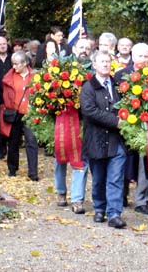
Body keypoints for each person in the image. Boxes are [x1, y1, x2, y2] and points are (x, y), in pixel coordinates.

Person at [80, 50, 127, 229]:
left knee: (115, 178)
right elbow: (89, 111)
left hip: (116, 141)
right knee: (99, 177)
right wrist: (116, 121)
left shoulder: (118, 85)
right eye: (102, 62)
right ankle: (99, 207)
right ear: (94, 65)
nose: (106, 64)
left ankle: (115, 213)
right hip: (96, 140)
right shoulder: (88, 87)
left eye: (108, 61)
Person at [114, 42, 148, 215]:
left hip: (147, 126)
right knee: (122, 160)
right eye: (139, 56)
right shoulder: (120, 75)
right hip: (125, 125)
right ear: (132, 55)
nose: (142, 60)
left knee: (145, 164)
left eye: (146, 56)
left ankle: (142, 200)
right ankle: (121, 194)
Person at [54, 37, 91, 213]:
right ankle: (61, 191)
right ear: (74, 48)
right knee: (60, 158)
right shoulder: (60, 67)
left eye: (87, 48)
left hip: (83, 121)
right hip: (62, 119)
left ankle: (77, 199)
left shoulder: (93, 69)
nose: (84, 50)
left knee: (81, 161)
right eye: (81, 47)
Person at [2, 51, 39, 181]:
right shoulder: (9, 76)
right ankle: (12, 169)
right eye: (13, 63)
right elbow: (6, 94)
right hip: (15, 113)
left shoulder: (35, 76)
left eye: (17, 64)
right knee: (13, 142)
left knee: (31, 142)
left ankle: (33, 172)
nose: (14, 66)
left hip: (29, 114)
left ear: (24, 63)